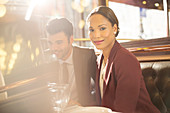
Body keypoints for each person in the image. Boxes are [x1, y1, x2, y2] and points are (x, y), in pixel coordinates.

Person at [86, 6, 160, 113]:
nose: (96, 35)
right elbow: (103, 102)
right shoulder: (99, 60)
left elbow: (124, 109)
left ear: (114, 29)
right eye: (91, 30)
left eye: (102, 28)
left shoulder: (126, 60)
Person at [46, 18, 97, 106]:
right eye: (50, 43)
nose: (54, 48)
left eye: (59, 43)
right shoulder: (46, 60)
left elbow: (101, 89)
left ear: (71, 40)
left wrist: (86, 105)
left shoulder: (87, 56)